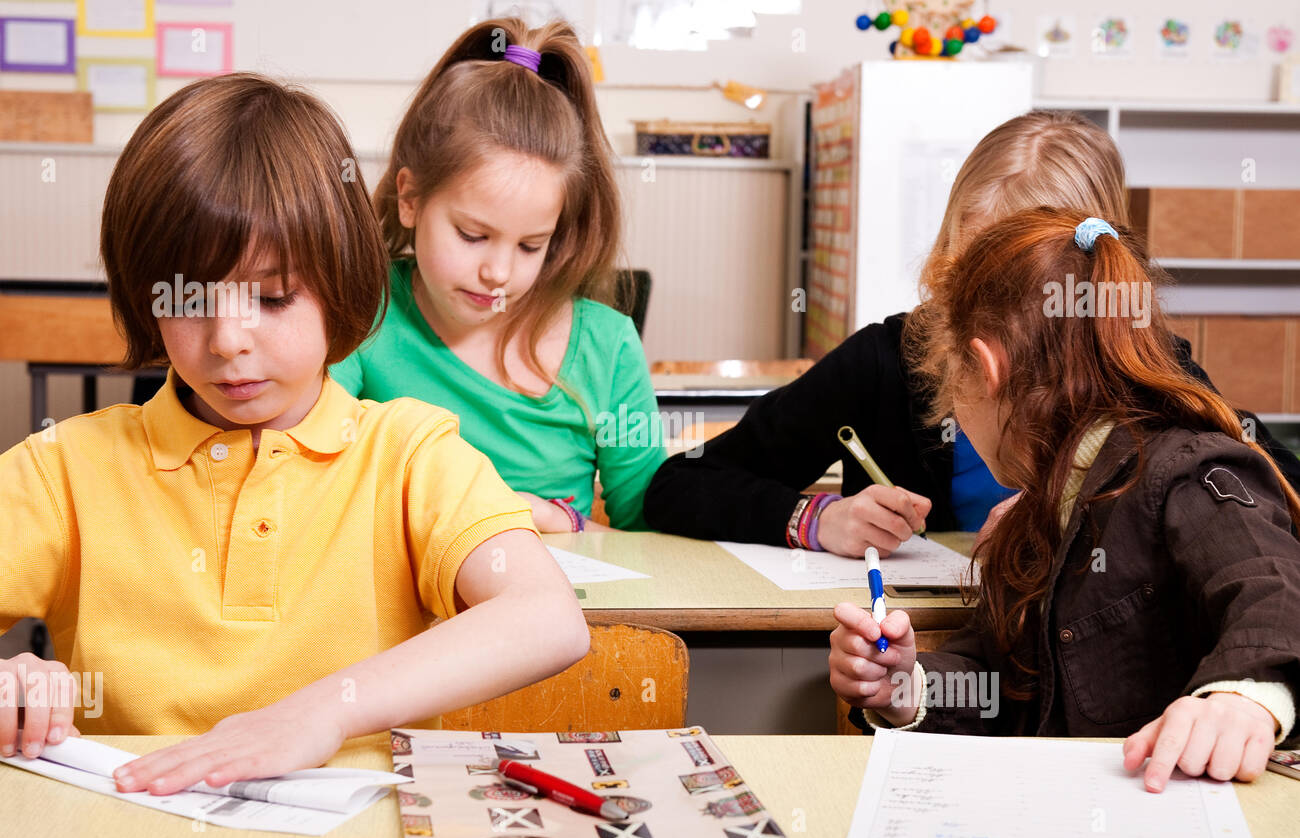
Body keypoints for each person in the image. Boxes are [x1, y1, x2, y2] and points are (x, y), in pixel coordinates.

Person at [0, 73, 589, 795]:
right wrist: (10, 678)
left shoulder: (408, 453)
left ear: (339, 279)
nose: (227, 341)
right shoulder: (65, 469)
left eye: (273, 297)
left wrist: (321, 715)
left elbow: (547, 618)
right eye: (188, 301)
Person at [642, 111, 1300, 556]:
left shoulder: (1147, 367)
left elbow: (1275, 500)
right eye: (966, 260)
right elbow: (680, 485)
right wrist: (815, 519)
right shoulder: (887, 360)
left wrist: (1086, 524)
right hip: (922, 673)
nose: (981, 299)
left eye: (1012, 276)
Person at [829, 208, 1300, 792]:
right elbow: (1001, 678)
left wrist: (1242, 697)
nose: (955, 413)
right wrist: (907, 688)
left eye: (953, 388)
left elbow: (1274, 589)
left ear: (986, 368)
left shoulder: (1185, 472)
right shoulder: (1038, 508)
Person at [331, 17, 664, 532]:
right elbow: (315, 475)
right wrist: (512, 509)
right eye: (471, 235)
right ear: (410, 199)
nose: (498, 273)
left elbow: (648, 533)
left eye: (531, 246)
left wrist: (574, 528)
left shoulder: (609, 346)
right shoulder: (365, 309)